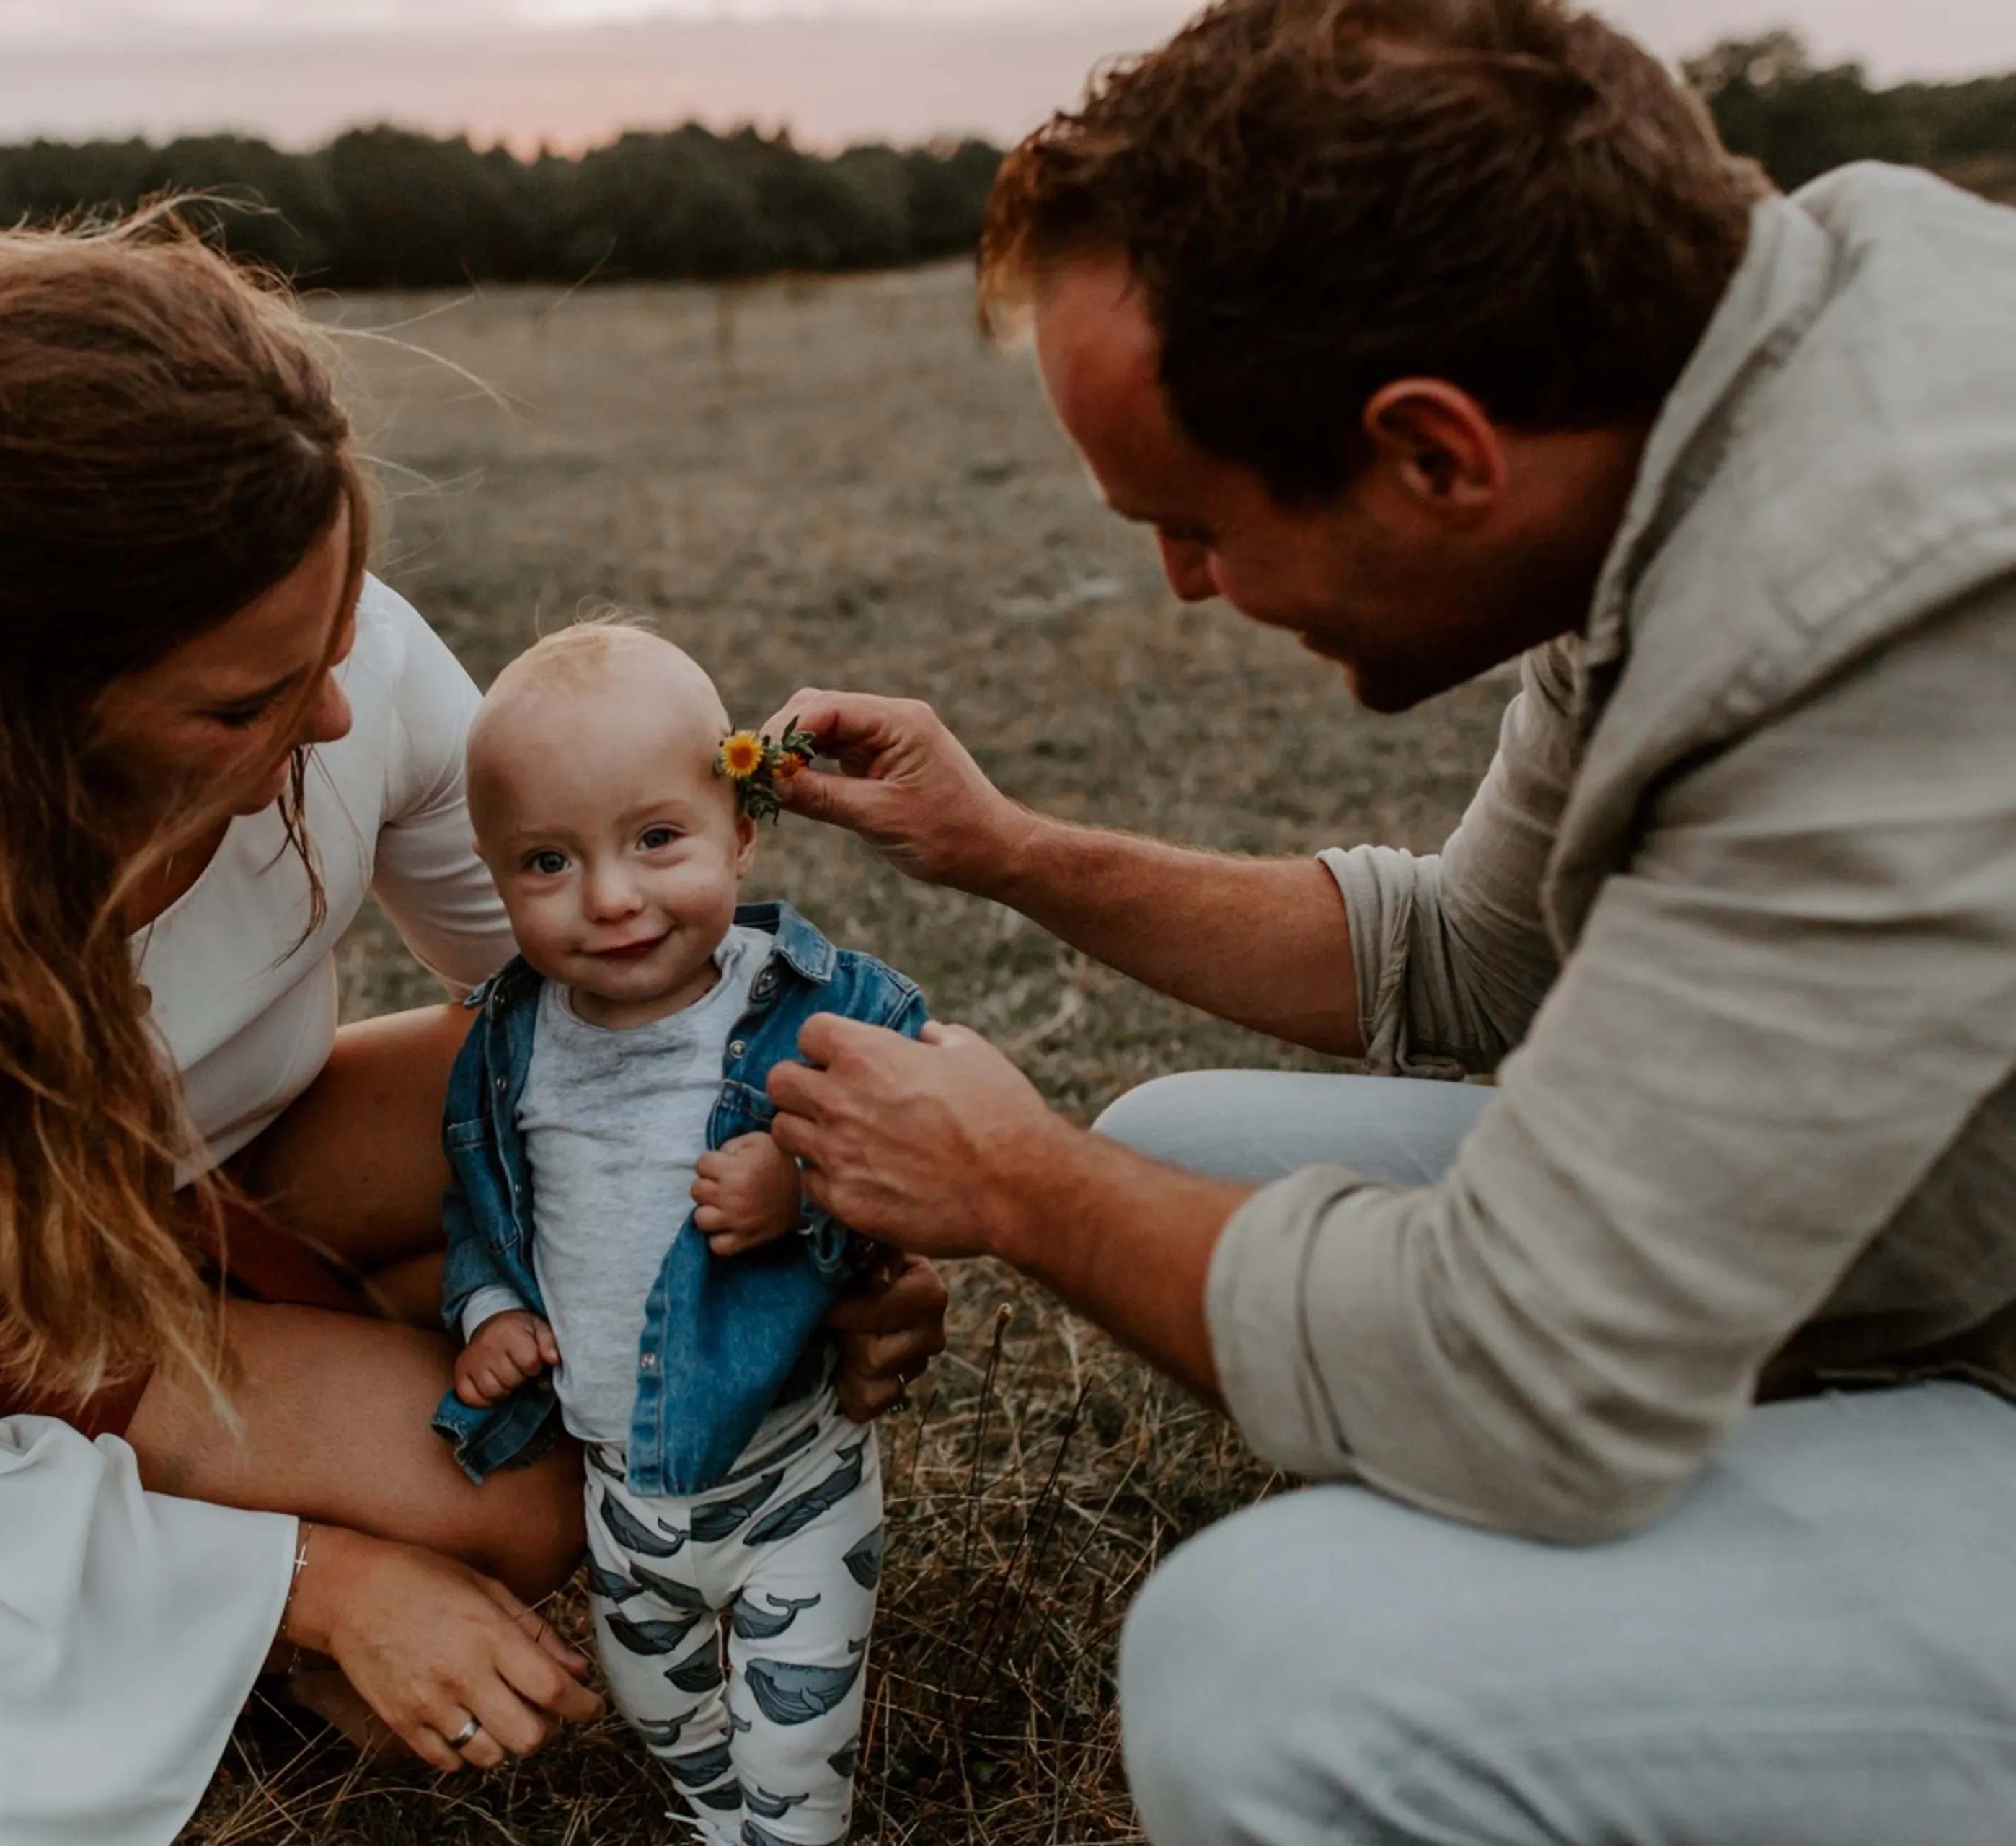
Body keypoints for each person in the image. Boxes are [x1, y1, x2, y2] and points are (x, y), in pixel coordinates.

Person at [757, 0, 2016, 1840]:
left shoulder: (1895, 613)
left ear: (1435, 454)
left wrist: (1016, 1184)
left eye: (1195, 522)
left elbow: (1526, 1378)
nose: (1183, 587)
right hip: (1939, 1229)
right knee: (1181, 1140)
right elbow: (1467, 960)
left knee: (1271, 1674)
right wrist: (1003, 846)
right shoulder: (1714, 396)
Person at [0, 210, 948, 1845]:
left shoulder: (341, 664)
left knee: (603, 1223)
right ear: (22, 706)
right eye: (243, 701)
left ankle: (216, 1555)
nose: (339, 713)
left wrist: (814, 1236)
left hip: (180, 1180)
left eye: (334, 632)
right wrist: (324, 1579)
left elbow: (608, 1023)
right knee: (527, 1497)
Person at [431, 625, 913, 1845]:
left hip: (788, 1478)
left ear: (741, 831)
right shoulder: (513, 1043)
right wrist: (490, 1309)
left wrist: (801, 1182)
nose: (610, 897)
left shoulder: (800, 1012)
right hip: (621, 1500)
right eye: (548, 861)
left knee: (793, 1742)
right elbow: (485, 1202)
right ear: (495, 879)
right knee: (663, 1711)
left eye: (657, 840)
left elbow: (929, 1137)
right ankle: (712, 1818)